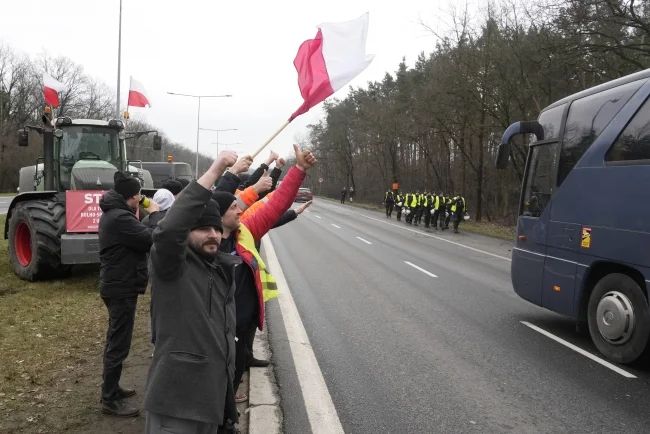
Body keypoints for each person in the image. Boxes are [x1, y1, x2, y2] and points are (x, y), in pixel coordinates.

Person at [144, 151, 241, 433]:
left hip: (211, 402)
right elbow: (168, 230)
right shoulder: (172, 266)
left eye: (216, 227)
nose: (212, 234)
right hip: (176, 404)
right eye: (201, 229)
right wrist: (215, 171)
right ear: (187, 233)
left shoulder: (220, 269)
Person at [213, 144, 317, 404]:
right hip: (215, 331)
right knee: (213, 389)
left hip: (242, 325)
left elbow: (276, 204)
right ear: (216, 216)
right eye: (233, 208)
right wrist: (230, 172)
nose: (240, 211)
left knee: (233, 382)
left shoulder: (245, 229)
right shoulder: (199, 244)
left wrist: (299, 170)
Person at [98, 171, 159, 417]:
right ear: (131, 197)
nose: (141, 200)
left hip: (117, 285)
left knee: (115, 339)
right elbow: (149, 239)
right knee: (118, 344)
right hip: (120, 288)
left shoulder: (117, 214)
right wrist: (154, 214)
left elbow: (135, 233)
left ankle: (111, 388)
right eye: (139, 196)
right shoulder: (119, 218)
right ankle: (109, 399)